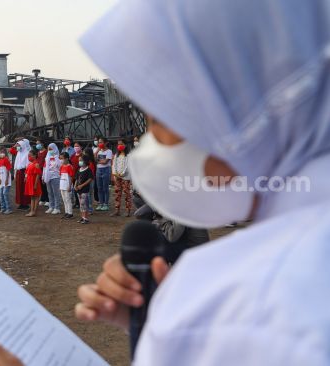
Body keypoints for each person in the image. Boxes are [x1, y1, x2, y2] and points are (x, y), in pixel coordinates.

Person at [71, 0, 330, 364]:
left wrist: (185, 330)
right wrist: (151, 322)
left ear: (237, 112)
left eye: (162, 118)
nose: (152, 141)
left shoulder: (253, 304)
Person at [112, 140, 132, 216]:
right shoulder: (116, 155)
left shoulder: (129, 155)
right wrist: (115, 173)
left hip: (125, 177)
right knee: (117, 193)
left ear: (125, 145)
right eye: (118, 144)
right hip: (117, 177)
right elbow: (114, 165)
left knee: (127, 193)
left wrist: (122, 174)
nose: (119, 145)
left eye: (121, 144)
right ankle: (117, 210)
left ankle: (128, 211)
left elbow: (128, 166)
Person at [42, 143, 62, 215]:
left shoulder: (58, 157)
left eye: (51, 149)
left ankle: (57, 208)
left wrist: (55, 158)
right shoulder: (47, 157)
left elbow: (59, 166)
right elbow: (44, 168)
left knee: (56, 193)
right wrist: (43, 176)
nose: (49, 150)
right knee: (50, 192)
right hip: (48, 177)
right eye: (49, 149)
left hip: (55, 177)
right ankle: (51, 206)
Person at [74, 154, 94, 224]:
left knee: (84, 203)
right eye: (79, 160)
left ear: (85, 161)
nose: (79, 162)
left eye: (81, 160)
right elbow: (76, 178)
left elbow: (90, 179)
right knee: (81, 204)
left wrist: (82, 185)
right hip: (78, 189)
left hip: (84, 189)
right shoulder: (79, 169)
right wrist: (75, 185)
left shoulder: (88, 169)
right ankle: (82, 217)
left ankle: (85, 218)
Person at [95, 137, 113, 211]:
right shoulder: (98, 151)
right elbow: (94, 160)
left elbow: (105, 162)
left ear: (106, 143)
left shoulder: (109, 151)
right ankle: (101, 203)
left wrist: (98, 161)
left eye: (101, 142)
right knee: (99, 188)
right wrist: (96, 152)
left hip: (106, 169)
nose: (100, 144)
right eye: (99, 142)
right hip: (99, 169)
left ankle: (106, 204)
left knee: (105, 188)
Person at [13, 138, 31, 210]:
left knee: (24, 188)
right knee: (19, 188)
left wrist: (26, 175)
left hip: (24, 172)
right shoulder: (19, 153)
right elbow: (16, 164)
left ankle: (25, 203)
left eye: (19, 145)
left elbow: (27, 165)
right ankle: (20, 203)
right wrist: (15, 174)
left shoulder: (27, 153)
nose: (17, 147)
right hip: (18, 172)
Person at [24, 149, 42, 217]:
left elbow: (38, 174)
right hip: (29, 182)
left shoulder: (36, 164)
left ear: (34, 156)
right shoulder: (29, 164)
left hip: (34, 182)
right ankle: (32, 211)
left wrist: (35, 184)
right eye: (28, 156)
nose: (29, 157)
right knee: (32, 197)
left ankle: (34, 211)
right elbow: (26, 172)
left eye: (30, 156)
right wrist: (25, 178)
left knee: (36, 197)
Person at [0, 146, 13, 215]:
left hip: (6, 180)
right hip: (1, 181)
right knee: (0, 194)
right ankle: (3, 208)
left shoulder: (6, 160)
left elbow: (8, 170)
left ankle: (8, 208)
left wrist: (6, 180)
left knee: (5, 193)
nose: (2, 153)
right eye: (0, 152)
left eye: (3, 152)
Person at [59, 152, 75, 219]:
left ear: (67, 159)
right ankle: (66, 212)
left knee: (68, 199)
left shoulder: (69, 166)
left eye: (62, 158)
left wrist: (70, 186)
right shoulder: (62, 166)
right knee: (64, 199)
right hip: (62, 185)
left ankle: (70, 213)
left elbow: (71, 177)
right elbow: (61, 176)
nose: (61, 160)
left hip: (67, 185)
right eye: (60, 158)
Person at [35, 139, 49, 207]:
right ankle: (43, 198)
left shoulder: (46, 151)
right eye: (36, 143)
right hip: (39, 170)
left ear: (42, 144)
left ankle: (47, 199)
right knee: (41, 185)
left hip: (44, 170)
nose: (37, 145)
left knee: (45, 185)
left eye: (38, 143)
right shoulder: (38, 152)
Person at [70, 142, 83, 209]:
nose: (76, 148)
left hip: (80, 175)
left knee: (80, 189)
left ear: (81, 147)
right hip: (73, 175)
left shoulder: (83, 155)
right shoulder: (73, 155)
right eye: (75, 146)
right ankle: (77, 202)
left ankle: (81, 203)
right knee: (75, 190)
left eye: (77, 146)